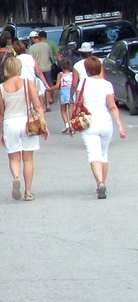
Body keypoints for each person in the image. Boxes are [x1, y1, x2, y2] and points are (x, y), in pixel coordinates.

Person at [0, 55, 49, 201]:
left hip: (10, 123)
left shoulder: (1, 88)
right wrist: (44, 125)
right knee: (28, 159)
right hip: (27, 123)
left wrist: (2, 132)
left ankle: (16, 177)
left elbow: (1, 112)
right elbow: (38, 105)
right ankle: (28, 191)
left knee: (14, 158)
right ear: (19, 68)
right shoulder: (27, 83)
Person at [75, 55, 127, 198]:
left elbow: (77, 103)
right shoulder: (107, 84)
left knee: (93, 155)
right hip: (105, 122)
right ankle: (103, 182)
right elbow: (112, 107)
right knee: (104, 154)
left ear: (86, 69)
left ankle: (99, 183)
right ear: (100, 68)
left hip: (88, 122)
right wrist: (120, 126)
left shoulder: (83, 83)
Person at [28, 31, 56, 109]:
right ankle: (48, 104)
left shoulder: (31, 48)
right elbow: (51, 55)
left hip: (38, 69)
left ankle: (42, 105)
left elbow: (31, 59)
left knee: (40, 87)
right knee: (47, 85)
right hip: (47, 67)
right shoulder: (46, 45)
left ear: (32, 38)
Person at [52, 57, 80, 132]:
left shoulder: (60, 74)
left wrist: (50, 89)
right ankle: (72, 126)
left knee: (63, 110)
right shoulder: (73, 74)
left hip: (63, 92)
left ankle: (67, 124)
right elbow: (75, 83)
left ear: (61, 66)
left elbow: (57, 85)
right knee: (71, 110)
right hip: (71, 92)